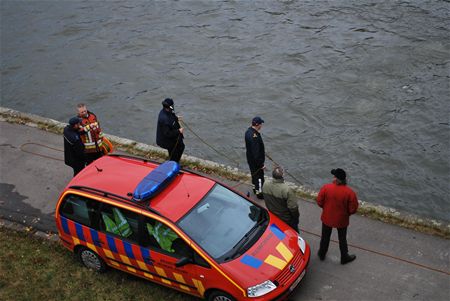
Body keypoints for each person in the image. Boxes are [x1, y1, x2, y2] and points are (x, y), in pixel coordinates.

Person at [317, 168, 359, 264]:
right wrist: (346, 213)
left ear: (336, 178)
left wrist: (326, 208)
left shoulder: (326, 187)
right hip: (341, 219)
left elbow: (319, 201)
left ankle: (322, 254)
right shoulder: (350, 193)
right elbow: (353, 209)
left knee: (325, 237)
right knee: (342, 239)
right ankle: (344, 257)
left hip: (327, 217)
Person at [263, 166, 299, 232]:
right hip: (285, 219)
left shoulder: (265, 184)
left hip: (272, 215)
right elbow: (293, 208)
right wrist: (296, 219)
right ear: (282, 176)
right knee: (292, 233)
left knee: (278, 234)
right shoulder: (287, 190)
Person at [156, 98, 185, 163]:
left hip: (174, 137)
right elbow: (167, 133)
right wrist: (179, 131)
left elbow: (171, 115)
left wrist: (176, 118)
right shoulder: (164, 119)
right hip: (167, 141)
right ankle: (173, 164)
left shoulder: (167, 110)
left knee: (181, 147)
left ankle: (175, 162)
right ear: (169, 107)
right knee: (174, 153)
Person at [245, 116, 265, 199]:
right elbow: (256, 153)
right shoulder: (255, 137)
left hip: (250, 159)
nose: (261, 126)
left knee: (254, 175)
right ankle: (259, 194)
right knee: (260, 178)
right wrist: (261, 165)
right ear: (257, 124)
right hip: (256, 162)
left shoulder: (248, 131)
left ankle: (254, 188)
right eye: (261, 124)